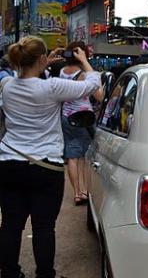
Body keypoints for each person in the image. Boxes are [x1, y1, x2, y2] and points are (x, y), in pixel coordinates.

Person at [0, 36, 100, 278]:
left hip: (10, 162)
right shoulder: (52, 87)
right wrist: (84, 60)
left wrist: (43, 63)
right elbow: (92, 84)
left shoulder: (7, 87)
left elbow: (22, 78)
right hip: (46, 166)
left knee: (11, 225)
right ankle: (45, 274)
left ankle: (10, 273)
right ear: (42, 59)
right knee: (44, 227)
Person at [60, 41, 104, 206]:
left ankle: (77, 193)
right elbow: (99, 95)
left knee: (72, 155)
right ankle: (84, 190)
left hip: (66, 115)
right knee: (84, 156)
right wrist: (88, 65)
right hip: (83, 116)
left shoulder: (63, 71)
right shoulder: (85, 73)